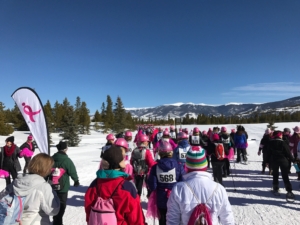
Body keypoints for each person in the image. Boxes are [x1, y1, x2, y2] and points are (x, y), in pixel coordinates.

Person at [166, 147, 235, 225]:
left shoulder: (178, 189)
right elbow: (228, 219)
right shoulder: (219, 188)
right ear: (205, 166)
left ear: (187, 167)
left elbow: (172, 220)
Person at [84, 146, 146, 225]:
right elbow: (136, 218)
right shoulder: (127, 187)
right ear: (120, 163)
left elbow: (89, 213)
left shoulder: (94, 185)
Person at [2, 153, 60, 225]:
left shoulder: (16, 182)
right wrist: (54, 192)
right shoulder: (43, 186)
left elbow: (2, 197)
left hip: (14, 221)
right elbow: (53, 211)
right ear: (46, 169)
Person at [148, 141, 185, 225]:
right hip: (175, 197)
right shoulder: (178, 166)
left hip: (161, 198)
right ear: (171, 152)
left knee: (162, 219)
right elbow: (183, 182)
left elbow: (152, 185)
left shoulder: (155, 167)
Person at [52, 141, 79, 225]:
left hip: (52, 185)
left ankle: (56, 219)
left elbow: (46, 170)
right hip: (63, 187)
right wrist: (76, 180)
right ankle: (58, 221)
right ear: (65, 149)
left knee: (53, 203)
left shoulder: (51, 159)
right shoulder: (67, 160)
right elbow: (72, 171)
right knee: (62, 204)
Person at [264, 130, 295, 198]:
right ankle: (289, 191)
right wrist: (293, 160)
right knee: (285, 176)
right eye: (281, 135)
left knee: (275, 175)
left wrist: (266, 162)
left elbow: (268, 153)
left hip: (274, 161)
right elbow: (288, 153)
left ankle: (275, 189)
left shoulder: (270, 142)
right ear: (279, 135)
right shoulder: (283, 143)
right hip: (283, 161)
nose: (282, 136)